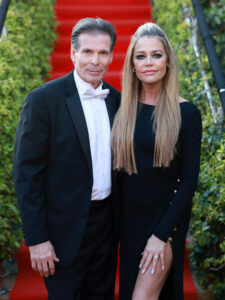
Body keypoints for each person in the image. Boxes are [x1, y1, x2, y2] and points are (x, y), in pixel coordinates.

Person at [13, 17, 120, 300]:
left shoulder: (117, 101)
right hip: (62, 232)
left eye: (103, 52)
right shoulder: (42, 100)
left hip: (107, 227)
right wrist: (37, 239)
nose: (95, 60)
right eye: (87, 52)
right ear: (73, 53)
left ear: (111, 55)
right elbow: (27, 174)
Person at [111, 22, 202, 300]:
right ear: (133, 65)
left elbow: (188, 181)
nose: (149, 62)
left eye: (156, 55)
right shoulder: (121, 109)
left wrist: (161, 235)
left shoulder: (185, 113)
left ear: (168, 62)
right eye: (141, 56)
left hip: (164, 226)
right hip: (128, 226)